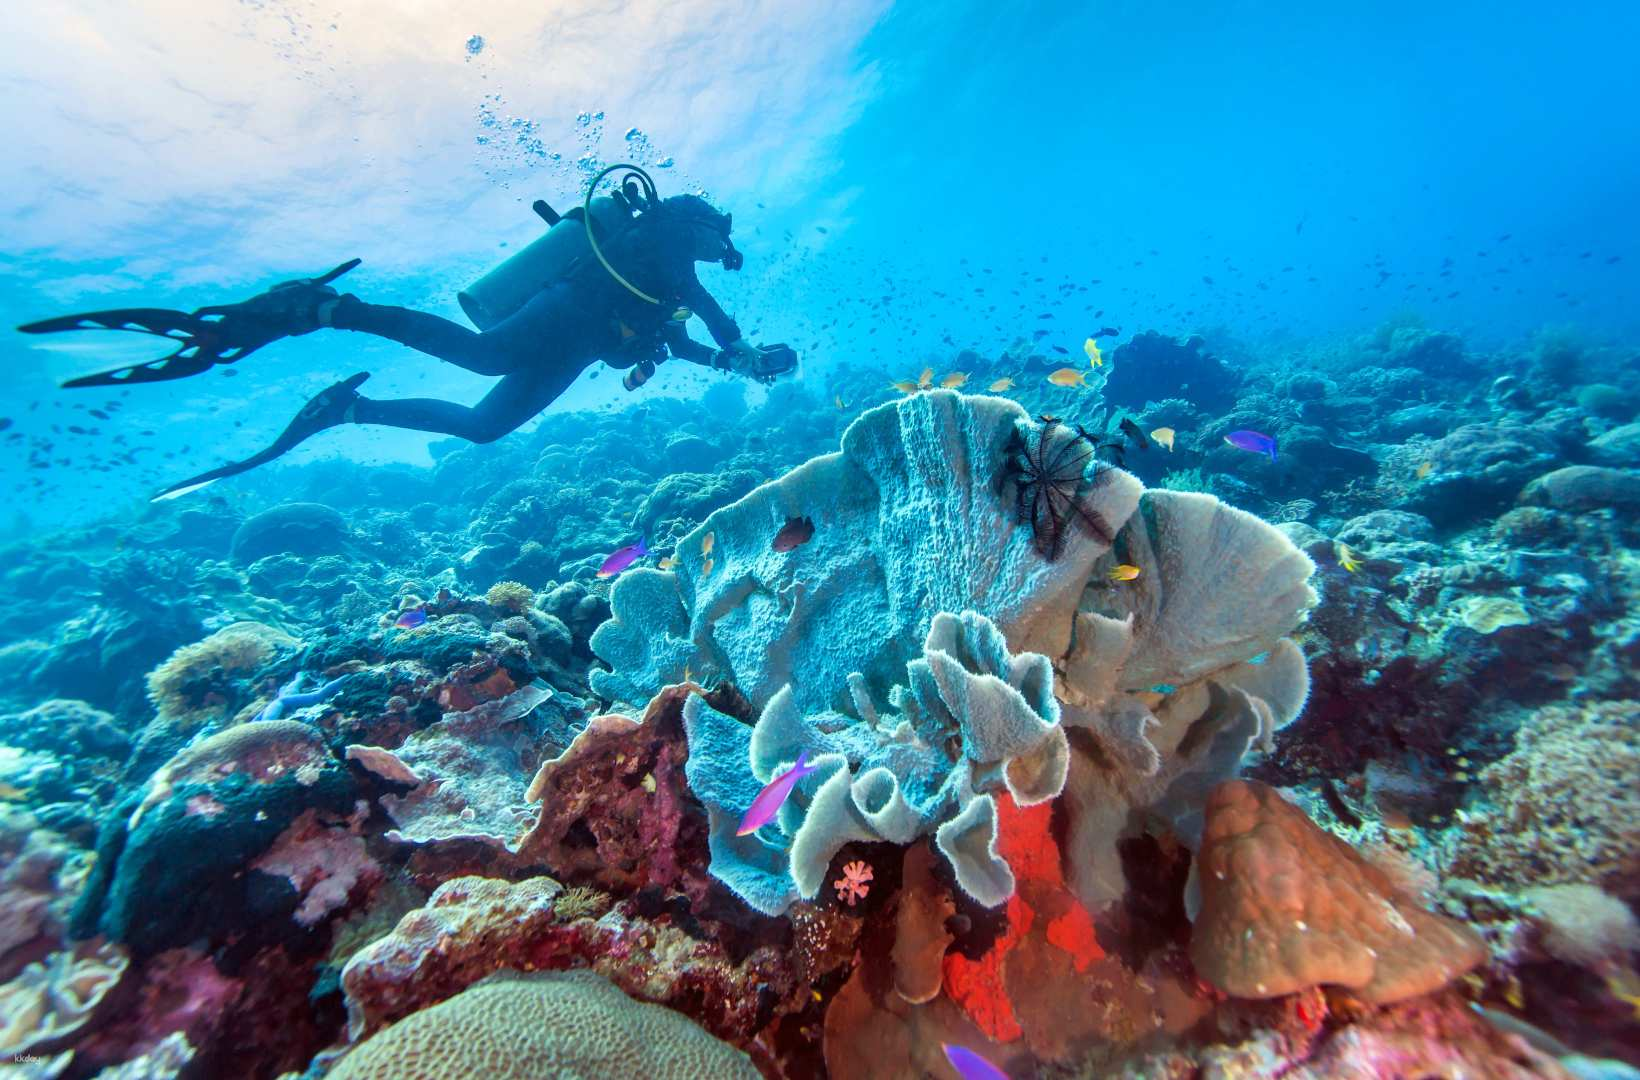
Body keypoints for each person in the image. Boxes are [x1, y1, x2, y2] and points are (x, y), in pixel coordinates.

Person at [22, 187, 793, 499]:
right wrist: (742, 349)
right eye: (715, 233)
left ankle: (348, 410)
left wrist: (728, 358)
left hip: (574, 349)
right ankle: (331, 308)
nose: (718, 247)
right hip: (562, 313)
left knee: (484, 427)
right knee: (486, 355)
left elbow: (676, 337)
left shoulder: (670, 282)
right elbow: (698, 301)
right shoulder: (662, 240)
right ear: (694, 222)